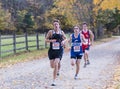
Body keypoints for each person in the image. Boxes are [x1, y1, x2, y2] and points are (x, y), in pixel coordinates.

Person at [45, 19, 67, 86]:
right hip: (52, 51)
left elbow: (66, 38)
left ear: (59, 25)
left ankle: (54, 81)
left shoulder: (61, 32)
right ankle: (57, 67)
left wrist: (63, 41)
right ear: (53, 25)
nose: (56, 25)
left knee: (56, 63)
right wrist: (52, 41)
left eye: (57, 24)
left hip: (59, 50)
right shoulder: (50, 32)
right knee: (52, 66)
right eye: (54, 24)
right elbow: (46, 40)